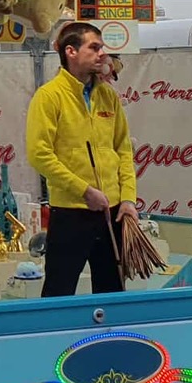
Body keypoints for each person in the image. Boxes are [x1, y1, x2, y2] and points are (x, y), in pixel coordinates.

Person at [26, 21, 137, 297]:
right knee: (59, 294)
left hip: (111, 212)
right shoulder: (48, 97)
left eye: (102, 48)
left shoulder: (108, 96)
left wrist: (128, 199)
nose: (102, 54)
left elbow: (123, 150)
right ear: (71, 51)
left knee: (112, 293)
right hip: (70, 213)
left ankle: (111, 330)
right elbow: (39, 154)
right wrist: (84, 191)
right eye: (94, 47)